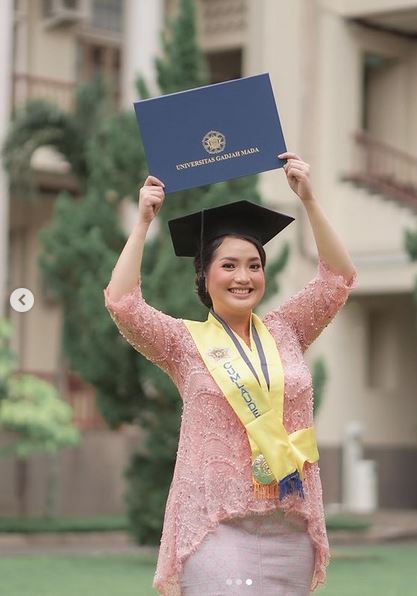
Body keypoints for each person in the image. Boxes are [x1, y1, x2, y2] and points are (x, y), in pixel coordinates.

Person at [104, 151, 357, 595]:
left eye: (254, 265)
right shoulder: (183, 344)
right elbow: (124, 303)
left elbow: (337, 277)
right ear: (203, 277)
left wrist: (309, 200)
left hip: (290, 528)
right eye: (229, 265)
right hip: (216, 528)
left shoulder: (288, 330)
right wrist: (143, 221)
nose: (244, 277)